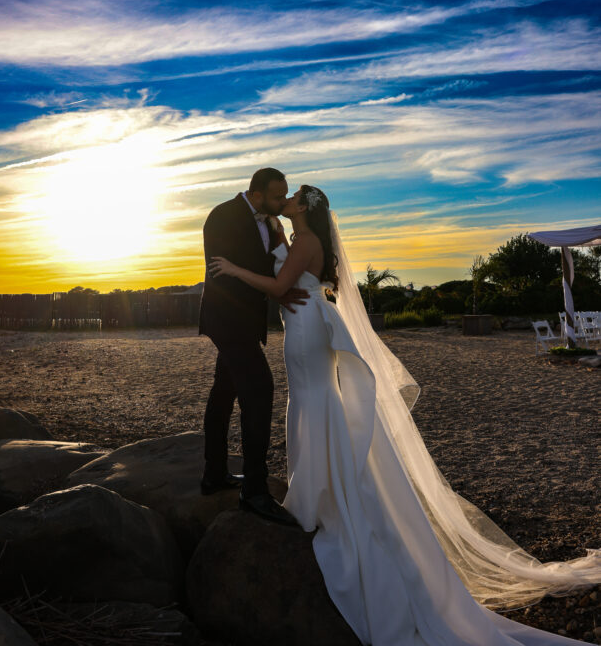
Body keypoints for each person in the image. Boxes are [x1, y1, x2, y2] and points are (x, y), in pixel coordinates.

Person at [210, 185, 601, 646]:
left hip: (306, 330)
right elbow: (287, 276)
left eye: (295, 196)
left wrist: (233, 269)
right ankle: (317, 487)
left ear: (307, 209)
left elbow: (280, 288)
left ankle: (319, 497)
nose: (288, 198)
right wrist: (277, 237)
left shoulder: (308, 242)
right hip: (303, 326)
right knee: (311, 401)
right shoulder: (297, 239)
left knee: (313, 400)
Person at [199, 167, 307, 524]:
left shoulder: (272, 223)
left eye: (286, 194)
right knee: (260, 390)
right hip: (228, 320)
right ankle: (255, 491)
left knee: (223, 391)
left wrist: (281, 288)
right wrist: (275, 291)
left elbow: (273, 267)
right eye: (278, 196)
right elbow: (224, 274)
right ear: (256, 194)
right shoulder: (222, 216)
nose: (283, 200)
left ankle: (214, 474)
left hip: (246, 322)